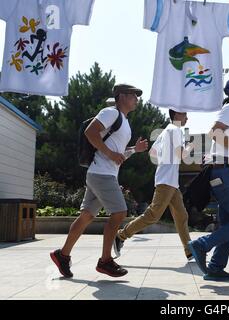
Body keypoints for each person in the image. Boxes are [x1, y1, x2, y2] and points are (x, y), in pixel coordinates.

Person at [50, 84, 149, 278]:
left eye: (137, 96)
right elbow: (90, 132)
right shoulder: (110, 112)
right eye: (133, 95)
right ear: (121, 97)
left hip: (102, 173)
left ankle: (62, 255)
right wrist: (111, 153)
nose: (137, 99)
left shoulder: (124, 121)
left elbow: (117, 156)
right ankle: (105, 261)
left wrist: (133, 150)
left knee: (86, 216)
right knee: (120, 213)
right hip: (102, 174)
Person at [187, 77, 229, 281]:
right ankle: (203, 244)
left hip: (224, 170)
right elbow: (215, 132)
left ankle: (216, 267)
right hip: (226, 173)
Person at [113, 110, 194, 260]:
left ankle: (190, 251)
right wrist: (190, 147)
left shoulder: (165, 132)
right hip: (167, 181)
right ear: (176, 115)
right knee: (153, 215)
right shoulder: (176, 130)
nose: (187, 118)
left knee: (181, 215)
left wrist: (165, 160)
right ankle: (121, 236)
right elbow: (182, 155)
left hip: (169, 181)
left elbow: (152, 153)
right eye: (184, 114)